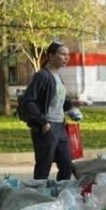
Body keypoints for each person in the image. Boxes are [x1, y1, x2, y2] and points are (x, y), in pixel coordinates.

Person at [18, 41, 78, 181]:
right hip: (47, 127)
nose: (66, 58)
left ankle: (59, 198)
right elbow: (29, 100)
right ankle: (38, 197)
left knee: (66, 166)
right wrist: (43, 122)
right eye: (63, 54)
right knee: (43, 167)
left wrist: (71, 104)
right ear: (50, 56)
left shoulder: (58, 77)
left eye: (68, 55)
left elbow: (55, 103)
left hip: (60, 127)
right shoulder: (42, 75)